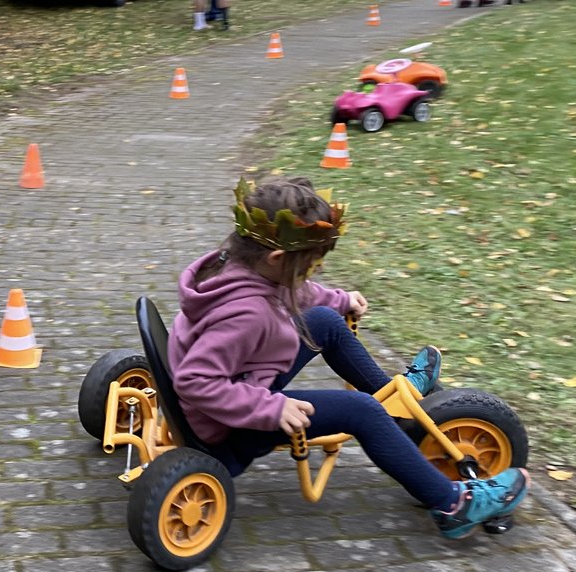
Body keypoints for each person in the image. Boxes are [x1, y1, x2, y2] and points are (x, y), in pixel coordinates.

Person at [168, 176, 529, 539]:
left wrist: (339, 299)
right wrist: (272, 409)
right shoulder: (248, 314)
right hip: (231, 427)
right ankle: (453, 504)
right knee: (361, 411)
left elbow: (287, 290)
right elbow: (196, 380)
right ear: (278, 259)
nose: (317, 270)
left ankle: (392, 396)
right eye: (311, 264)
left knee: (323, 321)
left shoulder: (238, 264)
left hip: (244, 380)